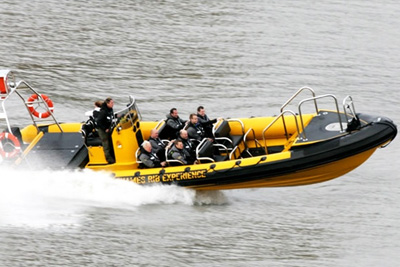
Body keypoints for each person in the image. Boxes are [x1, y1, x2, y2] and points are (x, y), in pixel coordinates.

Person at [96, 97, 115, 164]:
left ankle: (113, 155)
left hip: (108, 127)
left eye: (113, 103)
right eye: (111, 103)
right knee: (106, 144)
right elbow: (98, 122)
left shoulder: (110, 109)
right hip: (103, 130)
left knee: (110, 142)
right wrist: (105, 129)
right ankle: (109, 159)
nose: (113, 104)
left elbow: (111, 116)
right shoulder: (103, 112)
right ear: (107, 103)